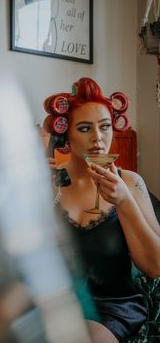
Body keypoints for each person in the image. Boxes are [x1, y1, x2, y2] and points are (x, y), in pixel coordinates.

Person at [43, 77, 160, 343]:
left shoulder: (130, 182)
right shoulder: (48, 184)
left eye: (105, 127)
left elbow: (155, 266)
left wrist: (124, 202)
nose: (98, 139)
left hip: (113, 306)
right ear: (65, 136)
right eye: (84, 128)